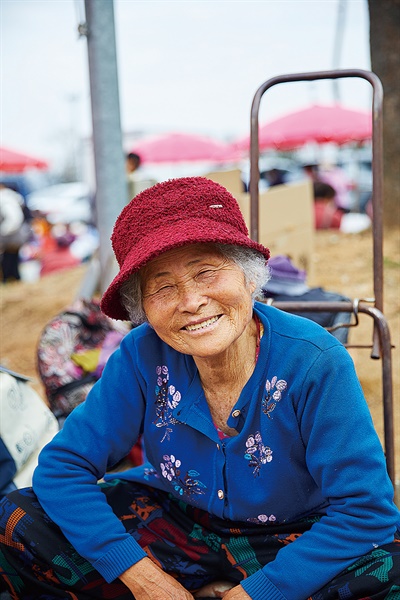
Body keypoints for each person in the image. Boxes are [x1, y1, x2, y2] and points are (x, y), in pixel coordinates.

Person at [0, 177, 399, 600]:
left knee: (390, 571)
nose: (190, 301)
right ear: (143, 309)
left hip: (291, 536)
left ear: (249, 277)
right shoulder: (142, 354)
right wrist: (143, 579)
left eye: (206, 271)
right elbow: (63, 468)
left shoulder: (314, 360)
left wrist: (258, 594)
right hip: (176, 527)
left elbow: (365, 510)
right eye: (163, 287)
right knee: (17, 518)